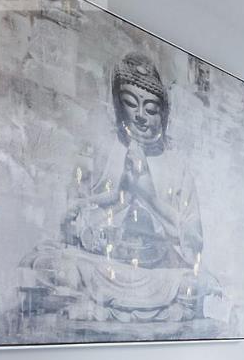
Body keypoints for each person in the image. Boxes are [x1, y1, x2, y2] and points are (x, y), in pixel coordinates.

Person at [21, 52, 221, 326]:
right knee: (49, 264)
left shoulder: (178, 168)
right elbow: (69, 228)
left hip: (158, 275)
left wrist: (149, 197)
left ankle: (101, 308)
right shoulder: (99, 152)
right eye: (131, 104)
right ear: (118, 106)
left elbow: (193, 246)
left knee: (198, 284)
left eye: (150, 109)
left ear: (163, 113)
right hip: (104, 268)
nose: (140, 116)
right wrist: (117, 197)